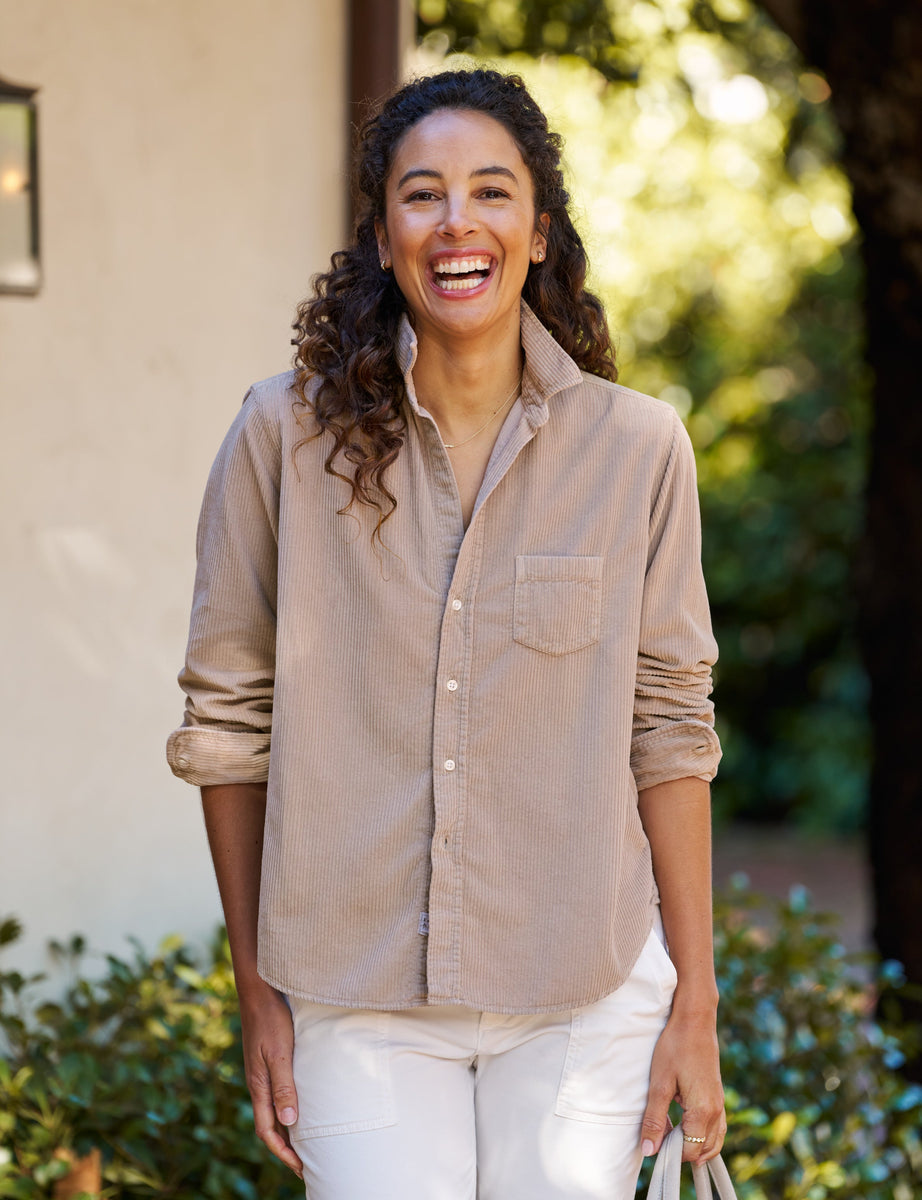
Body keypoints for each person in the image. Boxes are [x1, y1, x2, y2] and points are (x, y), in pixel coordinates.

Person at [167, 67, 726, 1200]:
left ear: (539, 232)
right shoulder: (280, 438)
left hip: (585, 991)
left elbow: (669, 727)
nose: (457, 222)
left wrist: (694, 1005)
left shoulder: (636, 450)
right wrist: (255, 989)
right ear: (380, 237)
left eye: (492, 192)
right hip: (356, 994)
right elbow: (228, 722)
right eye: (422, 195)